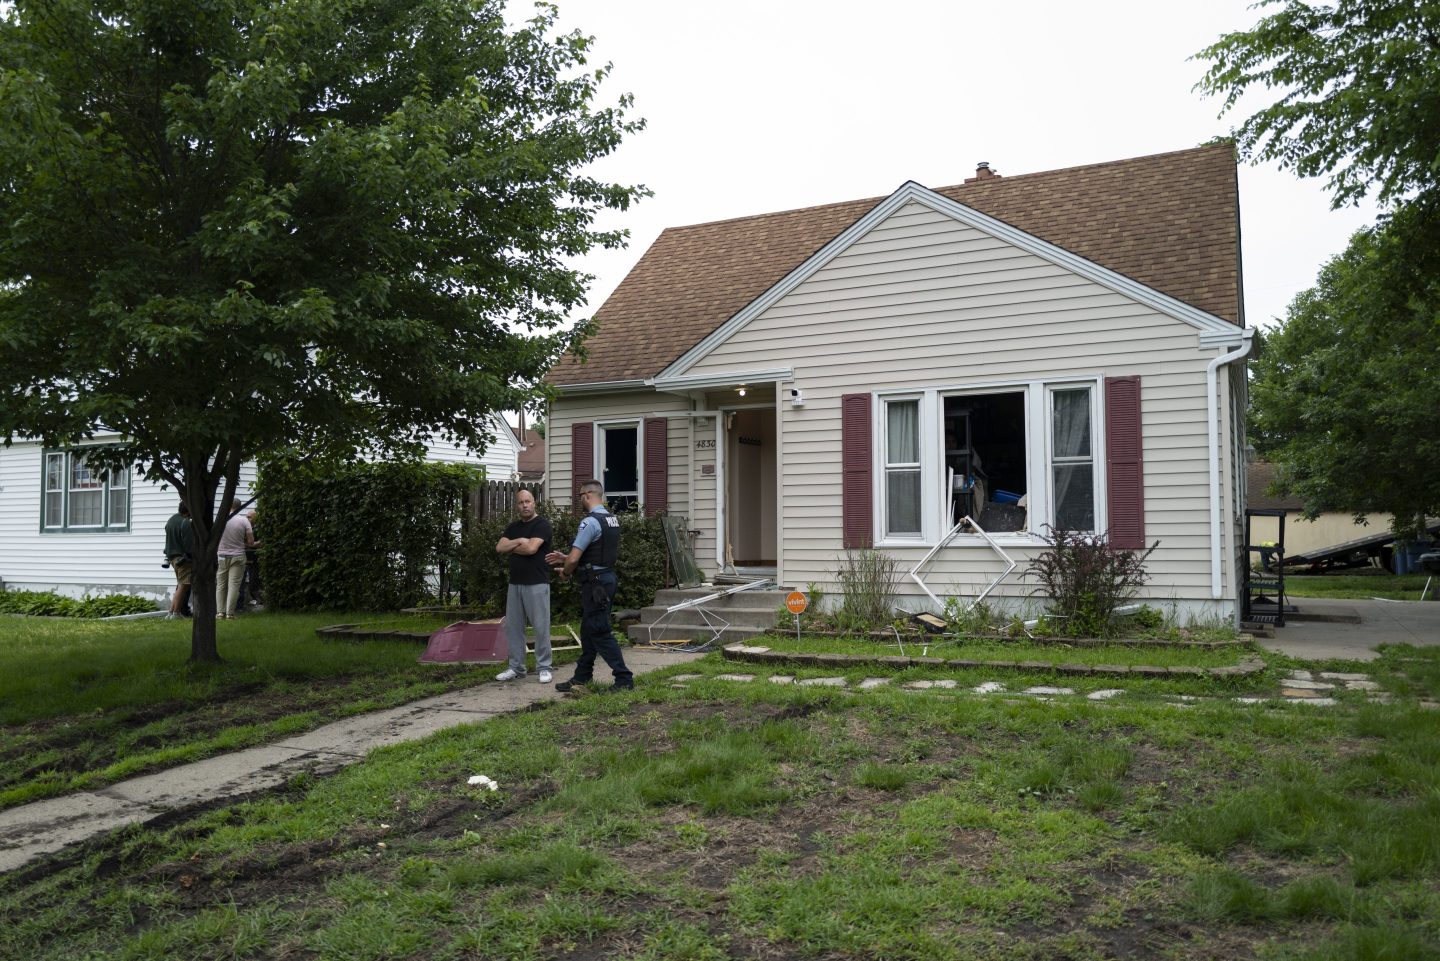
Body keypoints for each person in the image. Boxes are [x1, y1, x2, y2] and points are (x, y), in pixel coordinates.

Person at [545, 479, 633, 693]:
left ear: (587, 495)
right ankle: (582, 677)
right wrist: (566, 557)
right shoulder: (611, 519)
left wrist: (566, 571)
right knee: (588, 629)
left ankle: (624, 678)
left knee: (599, 630)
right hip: (605, 579)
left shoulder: (590, 522)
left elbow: (575, 559)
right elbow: (598, 555)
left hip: (595, 584)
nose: (580, 501)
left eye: (580, 497)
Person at [494, 489, 554, 683]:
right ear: (517, 505)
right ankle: (516, 668)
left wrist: (514, 546)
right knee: (513, 628)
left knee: (540, 626)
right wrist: (519, 540)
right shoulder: (513, 528)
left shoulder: (542, 525)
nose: (525, 505)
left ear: (535, 503)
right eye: (521, 502)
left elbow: (531, 549)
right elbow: (499, 548)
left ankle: (544, 667)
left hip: (537, 582)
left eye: (528, 501)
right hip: (515, 583)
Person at [215, 499, 258, 619]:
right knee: (234, 585)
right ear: (239, 507)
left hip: (222, 556)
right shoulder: (244, 520)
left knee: (221, 585)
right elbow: (250, 542)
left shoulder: (221, 519)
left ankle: (220, 612)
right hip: (238, 556)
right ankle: (230, 614)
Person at [163, 501, 194, 618]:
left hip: (171, 558)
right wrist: (191, 556)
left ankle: (171, 612)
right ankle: (176, 612)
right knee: (184, 585)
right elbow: (188, 544)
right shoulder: (185, 522)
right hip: (182, 558)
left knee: (180, 584)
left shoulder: (171, 520)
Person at [237, 509, 261, 612]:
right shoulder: (243, 528)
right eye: (247, 516)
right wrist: (252, 544)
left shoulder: (259, 529)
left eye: (250, 517)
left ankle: (258, 602)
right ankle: (242, 605)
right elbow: (240, 542)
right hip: (243, 558)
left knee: (253, 581)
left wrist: (251, 544)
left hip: (255, 559)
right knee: (241, 582)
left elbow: (261, 543)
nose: (247, 519)